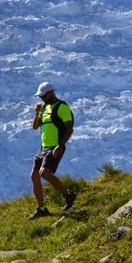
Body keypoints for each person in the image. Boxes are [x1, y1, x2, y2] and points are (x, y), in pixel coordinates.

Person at [28, 82, 77, 219]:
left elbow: (69, 128)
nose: (42, 98)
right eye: (41, 96)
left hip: (55, 145)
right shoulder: (44, 109)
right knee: (34, 176)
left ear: (51, 93)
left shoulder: (62, 107)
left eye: (44, 96)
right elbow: (35, 127)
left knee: (44, 173)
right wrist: (37, 113)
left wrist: (61, 145)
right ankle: (42, 209)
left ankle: (68, 195)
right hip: (43, 146)